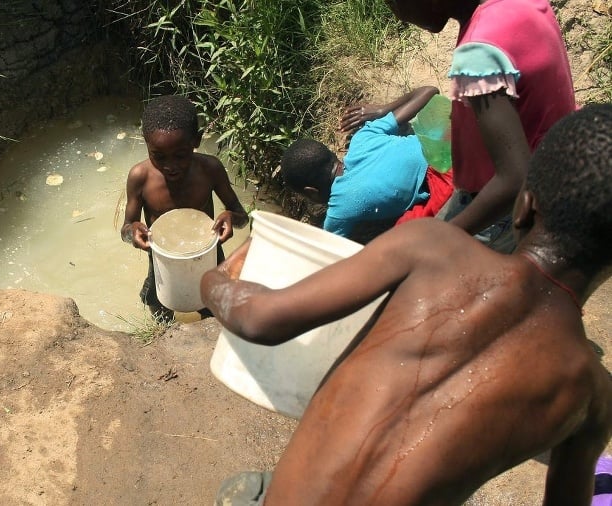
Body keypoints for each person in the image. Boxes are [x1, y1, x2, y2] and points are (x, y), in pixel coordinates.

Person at [202, 104, 612, 504]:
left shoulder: (432, 246)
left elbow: (257, 319)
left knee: (258, 489)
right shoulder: (593, 397)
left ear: (525, 203)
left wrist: (212, 278)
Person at [383, 0, 577, 253]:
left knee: (433, 271)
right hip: (555, 173)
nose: (399, 17)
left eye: (394, 4)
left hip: (506, 208)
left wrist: (443, 238)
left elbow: (514, 178)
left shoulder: (479, 52)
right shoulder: (519, 5)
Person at [121, 95, 249, 321]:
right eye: (158, 156)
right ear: (146, 144)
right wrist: (134, 232)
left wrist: (230, 216)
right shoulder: (140, 177)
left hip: (207, 255)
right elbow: (126, 229)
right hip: (162, 260)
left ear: (196, 140)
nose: (170, 166)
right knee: (160, 306)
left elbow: (241, 216)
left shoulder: (210, 169)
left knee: (214, 311)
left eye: (180, 155)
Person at [280, 86, 453, 239]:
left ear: (311, 193)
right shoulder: (363, 137)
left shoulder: (339, 208)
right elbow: (429, 91)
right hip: (448, 142)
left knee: (404, 235)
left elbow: (327, 250)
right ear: (332, 154)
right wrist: (382, 110)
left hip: (446, 175)